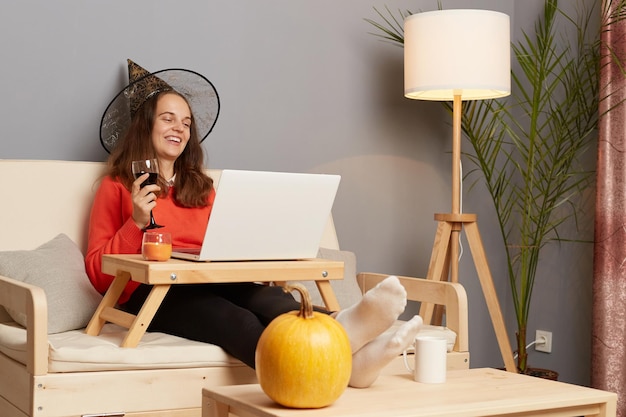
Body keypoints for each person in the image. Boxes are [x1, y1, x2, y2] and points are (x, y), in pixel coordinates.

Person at [85, 60, 423, 388]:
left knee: (274, 302)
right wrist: (136, 223)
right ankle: (331, 373)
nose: (179, 128)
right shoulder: (115, 187)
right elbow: (101, 277)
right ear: (146, 125)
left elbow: (224, 245)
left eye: (186, 123)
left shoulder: (202, 188)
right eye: (168, 118)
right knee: (238, 320)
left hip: (208, 279)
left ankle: (346, 337)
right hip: (153, 294)